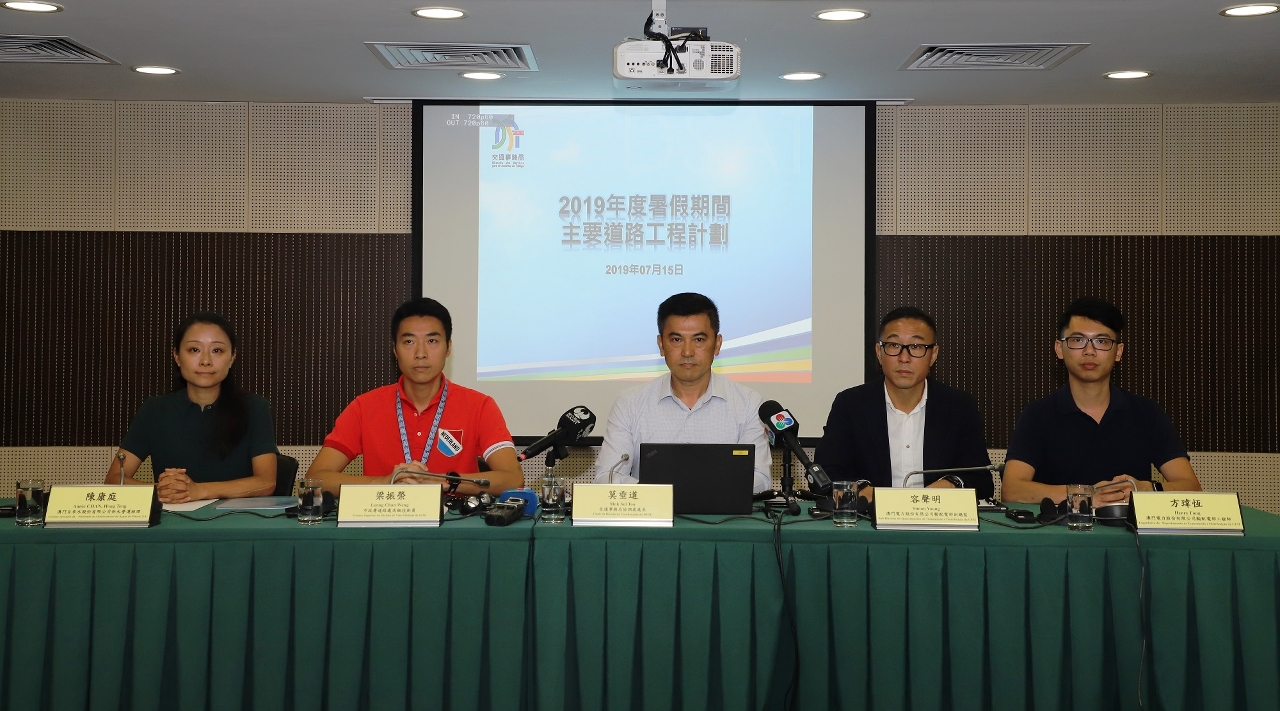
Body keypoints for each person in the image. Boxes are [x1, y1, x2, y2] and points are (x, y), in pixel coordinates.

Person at [306, 297, 523, 496]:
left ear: (448, 348)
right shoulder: (364, 407)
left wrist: (441, 482)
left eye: (432, 341)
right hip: (384, 520)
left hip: (453, 523)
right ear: (395, 349)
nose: (420, 353)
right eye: (409, 342)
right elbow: (314, 479)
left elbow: (513, 479)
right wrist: (384, 482)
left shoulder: (480, 406)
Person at [1001, 297, 1201, 504]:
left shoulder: (1147, 413)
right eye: (1078, 340)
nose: (1089, 351)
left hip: (1129, 525)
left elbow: (1192, 488)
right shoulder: (1038, 415)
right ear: (1059, 349)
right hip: (1062, 525)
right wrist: (1085, 494)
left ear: (1118, 352)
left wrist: (1144, 489)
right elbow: (1012, 490)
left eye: (1102, 342)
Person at [593, 292, 772, 493]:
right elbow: (606, 477)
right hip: (652, 513)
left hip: (721, 513)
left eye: (699, 339)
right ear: (661, 345)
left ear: (717, 344)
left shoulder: (748, 404)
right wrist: (663, 492)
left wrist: (690, 488)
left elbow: (760, 478)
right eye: (677, 339)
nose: (687, 352)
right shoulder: (629, 404)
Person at [814, 306, 994, 500]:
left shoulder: (959, 407)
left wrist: (953, 484)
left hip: (935, 516)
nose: (904, 358)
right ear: (879, 352)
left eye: (916, 347)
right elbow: (826, 473)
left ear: (933, 355)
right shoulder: (850, 404)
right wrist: (862, 490)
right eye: (894, 345)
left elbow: (982, 480)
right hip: (870, 517)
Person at [106, 312, 277, 503]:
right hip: (171, 519)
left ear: (232, 357)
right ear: (177, 356)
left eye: (217, 350)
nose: (206, 361)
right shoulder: (154, 410)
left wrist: (199, 490)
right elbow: (114, 479)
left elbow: (266, 482)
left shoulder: (255, 408)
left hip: (236, 518)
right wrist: (163, 490)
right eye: (194, 350)